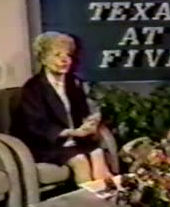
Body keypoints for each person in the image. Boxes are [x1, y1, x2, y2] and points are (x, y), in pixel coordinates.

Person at [10, 31, 112, 185]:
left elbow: (83, 111)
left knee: (98, 154)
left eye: (68, 55)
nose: (65, 60)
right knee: (80, 161)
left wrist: (90, 123)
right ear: (43, 58)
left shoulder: (73, 83)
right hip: (45, 144)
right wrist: (70, 132)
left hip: (74, 141)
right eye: (57, 55)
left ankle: (107, 199)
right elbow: (35, 125)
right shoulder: (33, 88)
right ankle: (86, 205)